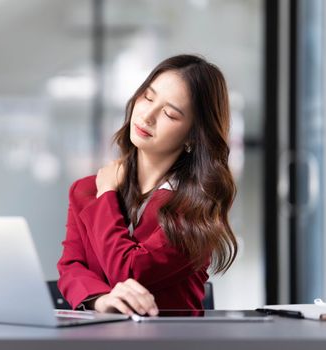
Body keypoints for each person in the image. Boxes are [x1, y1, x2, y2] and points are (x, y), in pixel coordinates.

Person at [57, 54, 237, 316]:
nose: (148, 115)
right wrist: (100, 300)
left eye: (169, 113)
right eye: (148, 97)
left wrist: (107, 193)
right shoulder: (85, 190)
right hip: (97, 338)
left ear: (193, 137)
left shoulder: (197, 209)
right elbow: (70, 266)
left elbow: (129, 271)